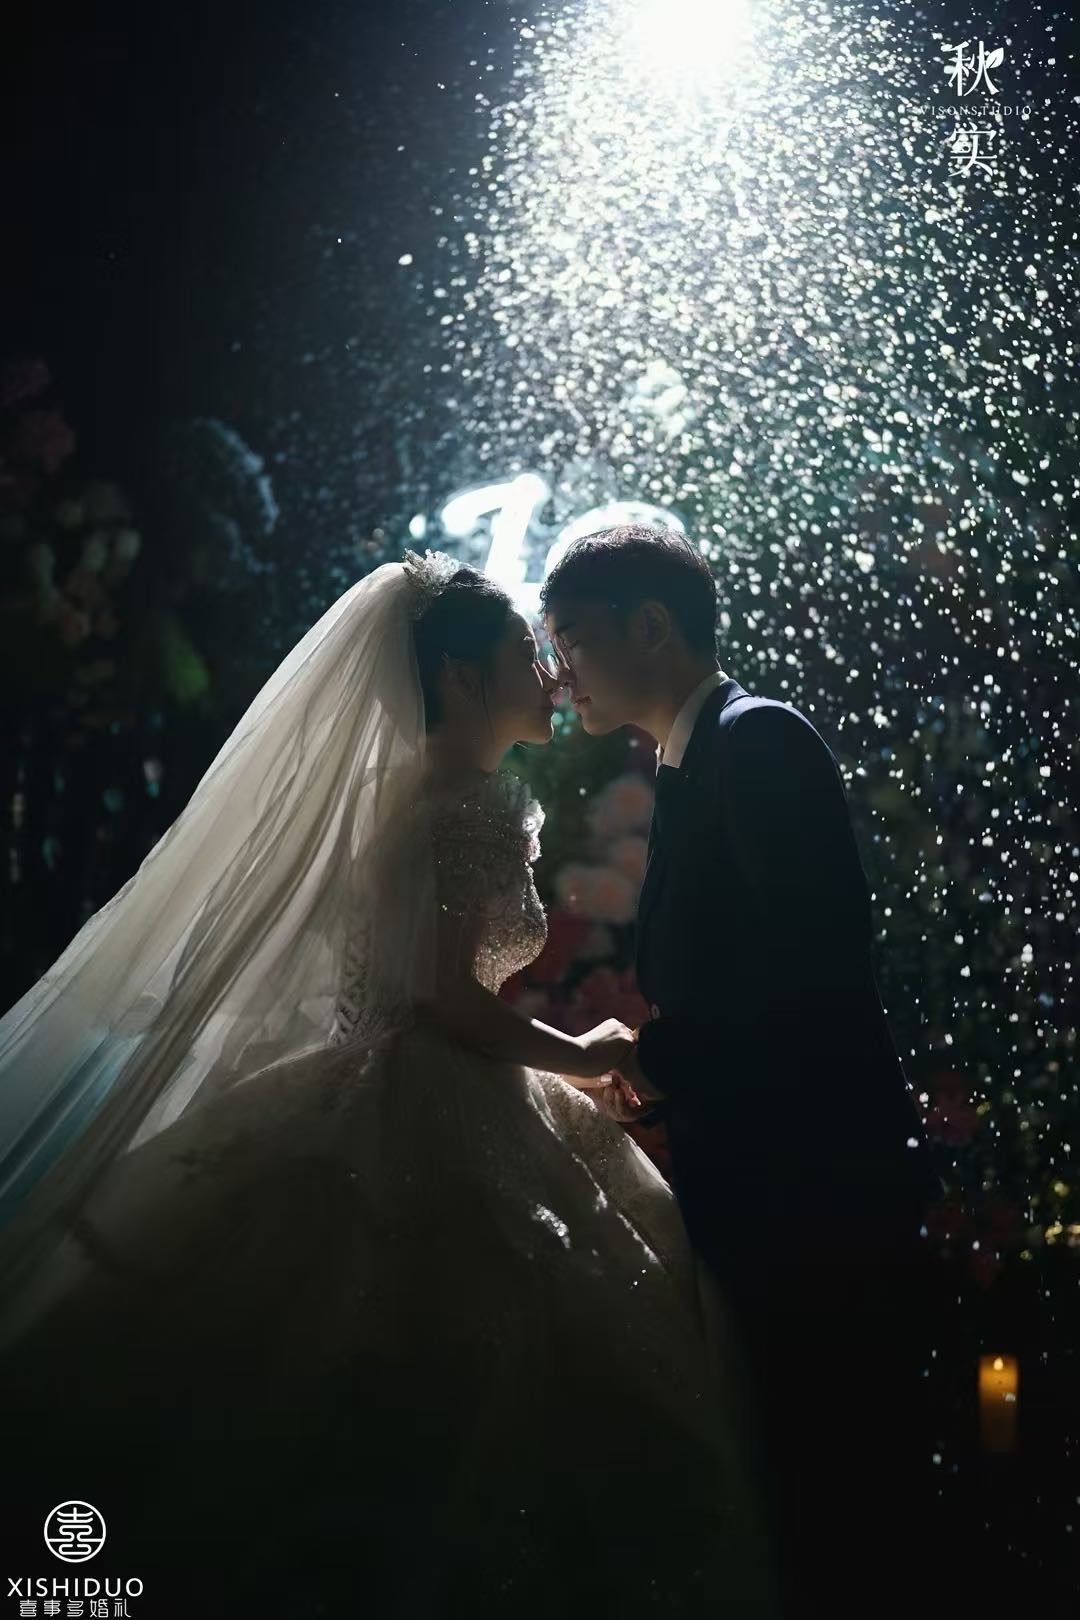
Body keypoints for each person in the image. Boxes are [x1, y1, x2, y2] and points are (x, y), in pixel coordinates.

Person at [0, 551, 779, 1620]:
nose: (551, 674)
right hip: (438, 1097)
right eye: (525, 653)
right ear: (459, 678)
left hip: (367, 1080)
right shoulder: (470, 809)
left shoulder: (402, 799)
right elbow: (443, 1003)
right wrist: (591, 1052)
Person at [541, 524, 947, 1620]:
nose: (559, 670)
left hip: (818, 1200)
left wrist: (652, 1055)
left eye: (570, 638)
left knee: (849, 1509)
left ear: (652, 625)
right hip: (768, 1191)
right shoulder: (694, 757)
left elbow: (815, 983)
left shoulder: (757, 739)